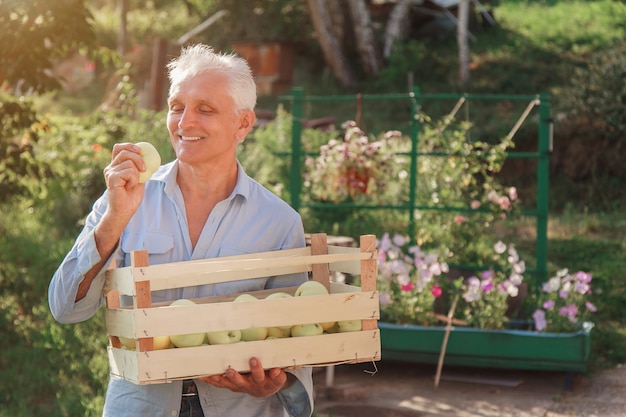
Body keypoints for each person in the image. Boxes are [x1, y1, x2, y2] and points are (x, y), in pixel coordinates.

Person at [48, 43, 314, 417]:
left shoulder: (278, 221)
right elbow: (64, 308)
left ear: (243, 123)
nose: (184, 122)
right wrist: (115, 218)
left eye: (205, 109)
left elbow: (295, 339)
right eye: (177, 107)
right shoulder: (124, 200)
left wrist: (279, 380)